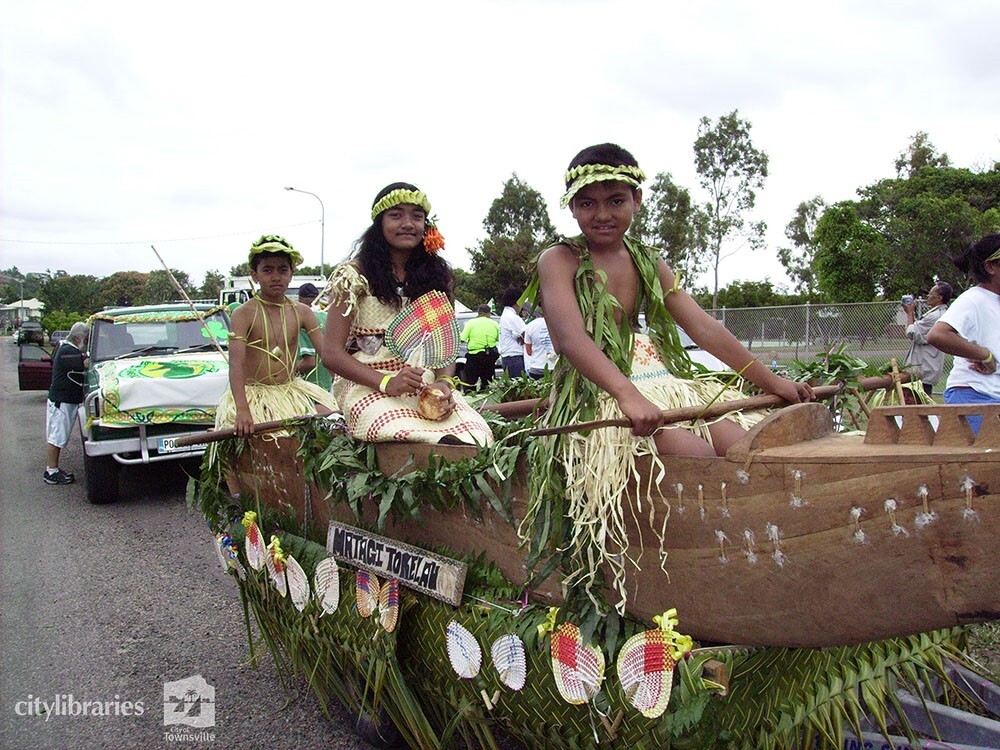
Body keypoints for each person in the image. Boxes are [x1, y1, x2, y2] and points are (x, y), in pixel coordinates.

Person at [524, 143, 813, 611]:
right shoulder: (560, 259)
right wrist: (625, 395)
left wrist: (769, 382)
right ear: (571, 206)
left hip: (659, 374)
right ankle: (705, 571)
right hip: (597, 387)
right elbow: (570, 340)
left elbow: (702, 326)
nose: (602, 214)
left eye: (616, 200)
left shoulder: (647, 260)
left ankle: (761, 551)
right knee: (692, 454)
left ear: (637, 201)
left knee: (737, 441)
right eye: (588, 203)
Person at [321, 183, 493, 446]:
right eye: (396, 215)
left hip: (422, 384)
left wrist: (445, 383)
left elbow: (443, 347)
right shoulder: (352, 276)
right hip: (366, 383)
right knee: (402, 432)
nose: (408, 223)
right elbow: (331, 354)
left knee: (476, 435)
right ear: (379, 224)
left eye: (417, 215)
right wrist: (387, 382)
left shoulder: (437, 278)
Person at [217, 235, 339, 438]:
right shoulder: (243, 313)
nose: (276, 277)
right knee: (276, 441)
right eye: (267, 270)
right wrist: (242, 410)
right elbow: (236, 364)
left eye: (283, 270)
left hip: (291, 391)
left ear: (291, 274)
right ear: (254, 275)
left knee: (332, 423)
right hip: (254, 397)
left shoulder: (302, 312)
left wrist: (345, 390)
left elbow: (328, 355)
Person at [927, 234, 1000, 434]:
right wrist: (984, 355)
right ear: (990, 267)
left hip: (991, 397)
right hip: (974, 395)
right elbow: (938, 335)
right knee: (982, 464)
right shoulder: (974, 299)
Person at [44, 322, 89, 484]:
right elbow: (84, 364)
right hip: (61, 401)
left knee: (59, 435)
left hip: (67, 400)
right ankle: (51, 471)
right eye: (86, 338)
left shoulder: (68, 348)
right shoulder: (67, 351)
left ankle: (53, 469)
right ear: (79, 338)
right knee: (57, 436)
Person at [902, 282, 953, 395]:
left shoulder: (934, 317)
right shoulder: (942, 313)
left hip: (923, 368)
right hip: (927, 366)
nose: (928, 296)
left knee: (916, 404)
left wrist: (910, 313)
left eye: (931, 294)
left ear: (939, 298)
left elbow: (912, 333)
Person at [295, 282, 333, 391]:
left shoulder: (303, 321)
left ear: (300, 298)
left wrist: (287, 372)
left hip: (309, 387)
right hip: (327, 384)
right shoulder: (327, 317)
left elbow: (309, 361)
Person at [459, 304, 500, 391]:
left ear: (478, 313)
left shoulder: (471, 323)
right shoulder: (495, 323)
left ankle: (470, 395)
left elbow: (462, 338)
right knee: (488, 382)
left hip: (474, 356)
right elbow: (498, 338)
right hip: (489, 356)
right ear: (489, 313)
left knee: (470, 382)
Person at [498, 286, 526, 378]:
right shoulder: (512, 317)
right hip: (515, 357)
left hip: (509, 358)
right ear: (517, 301)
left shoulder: (506, 314)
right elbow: (526, 335)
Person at [523, 306, 556, 379]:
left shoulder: (530, 326)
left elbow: (528, 351)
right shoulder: (557, 324)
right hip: (554, 368)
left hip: (536, 368)